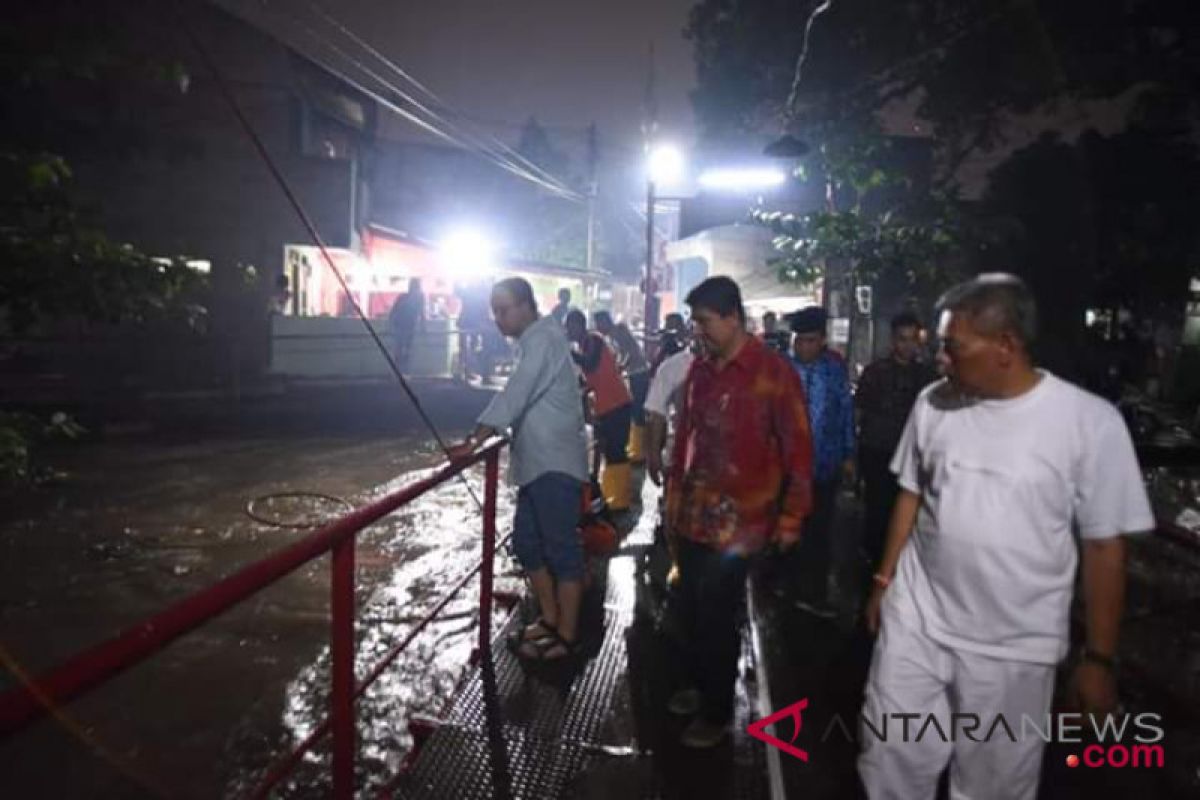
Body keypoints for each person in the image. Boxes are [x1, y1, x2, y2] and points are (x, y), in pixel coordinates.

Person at [860, 274, 1154, 799]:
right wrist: (884, 582)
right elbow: (912, 494)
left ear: (1006, 346)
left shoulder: (1088, 423)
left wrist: (1099, 659)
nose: (940, 360)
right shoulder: (933, 405)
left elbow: (1105, 546)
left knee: (991, 786)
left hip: (1014, 648)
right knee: (889, 761)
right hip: (918, 623)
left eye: (952, 347)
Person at [666, 276, 813, 748]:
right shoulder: (699, 372)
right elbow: (684, 437)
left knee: (715, 612)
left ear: (733, 317)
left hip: (742, 524)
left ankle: (716, 711)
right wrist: (672, 495)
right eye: (696, 323)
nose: (699, 332)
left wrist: (792, 517)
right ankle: (698, 683)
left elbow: (799, 450)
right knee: (688, 605)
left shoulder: (773, 372)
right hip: (693, 514)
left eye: (705, 322)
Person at [447, 277, 589, 661]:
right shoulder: (536, 342)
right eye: (494, 311)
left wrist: (475, 440)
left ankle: (567, 634)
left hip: (553, 465)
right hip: (537, 466)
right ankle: (550, 618)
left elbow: (515, 393)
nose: (497, 318)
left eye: (504, 309)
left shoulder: (542, 340)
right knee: (527, 543)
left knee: (561, 549)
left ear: (528, 306)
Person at [854, 311, 937, 574]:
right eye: (903, 339)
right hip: (878, 451)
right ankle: (874, 561)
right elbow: (860, 412)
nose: (908, 345)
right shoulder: (875, 372)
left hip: (913, 454)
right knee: (878, 508)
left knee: (906, 510)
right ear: (893, 340)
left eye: (913, 340)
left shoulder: (927, 377)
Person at [787, 306, 855, 618]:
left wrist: (848, 455)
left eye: (810, 340)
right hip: (786, 469)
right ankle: (782, 588)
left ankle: (813, 593)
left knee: (819, 531)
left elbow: (845, 414)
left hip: (824, 465)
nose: (803, 347)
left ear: (823, 340)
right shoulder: (782, 371)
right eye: (799, 341)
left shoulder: (834, 371)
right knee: (787, 529)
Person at [564, 309, 634, 511]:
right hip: (606, 406)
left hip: (617, 404)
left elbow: (591, 364)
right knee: (606, 449)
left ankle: (620, 500)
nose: (568, 331)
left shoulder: (593, 340)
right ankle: (612, 494)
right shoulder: (586, 345)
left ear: (579, 325)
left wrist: (569, 352)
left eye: (570, 326)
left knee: (616, 451)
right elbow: (591, 375)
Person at [605, 320, 652, 465]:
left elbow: (628, 357)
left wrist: (620, 368)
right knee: (637, 409)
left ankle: (640, 451)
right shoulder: (623, 339)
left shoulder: (621, 339)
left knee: (637, 410)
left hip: (638, 374)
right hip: (638, 373)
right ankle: (638, 447)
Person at [388, 278, 425, 371]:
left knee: (402, 348)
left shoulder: (404, 297)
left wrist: (390, 324)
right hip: (406, 325)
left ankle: (399, 369)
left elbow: (393, 312)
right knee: (404, 348)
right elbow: (421, 313)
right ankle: (402, 369)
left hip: (403, 325)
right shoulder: (419, 298)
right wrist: (423, 327)